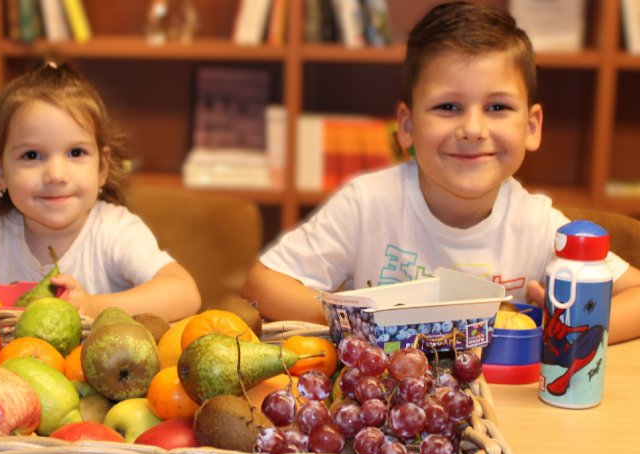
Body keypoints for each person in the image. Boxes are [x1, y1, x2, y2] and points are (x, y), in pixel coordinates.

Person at [242, 1, 640, 344]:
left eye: (497, 107)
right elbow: (262, 284)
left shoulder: (536, 224)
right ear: (408, 126)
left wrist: (556, 327)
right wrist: (365, 324)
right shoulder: (369, 204)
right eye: (448, 107)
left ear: (532, 127)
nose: (472, 129)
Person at [0, 62, 201, 321]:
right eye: (32, 156)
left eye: (76, 153)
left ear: (102, 168)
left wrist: (93, 306)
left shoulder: (115, 231)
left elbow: (184, 291)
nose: (56, 175)